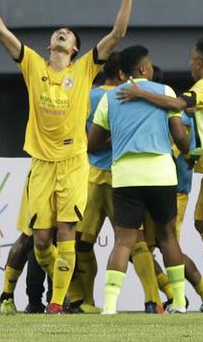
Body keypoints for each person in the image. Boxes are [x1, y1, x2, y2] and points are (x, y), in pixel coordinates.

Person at [0, 0, 136, 315]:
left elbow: (118, 34)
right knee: (41, 240)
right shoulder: (33, 65)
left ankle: (57, 302)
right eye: (57, 32)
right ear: (50, 45)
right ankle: (58, 289)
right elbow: (0, 31)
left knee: (67, 231)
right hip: (42, 164)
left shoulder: (84, 69)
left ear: (74, 48)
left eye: (68, 34)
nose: (62, 33)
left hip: (73, 162)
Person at [117, 37, 203, 313]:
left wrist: (141, 94)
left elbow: (177, 104)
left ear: (198, 63)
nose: (189, 65)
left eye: (190, 60)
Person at [88, 45, 193, 315]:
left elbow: (92, 142)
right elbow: (179, 135)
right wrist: (188, 152)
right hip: (160, 172)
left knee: (123, 241)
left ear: (122, 73)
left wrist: (120, 137)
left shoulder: (109, 99)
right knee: (168, 237)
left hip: (125, 175)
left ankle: (110, 305)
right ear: (145, 68)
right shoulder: (165, 91)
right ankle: (179, 302)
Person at [69, 54, 167, 314]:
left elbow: (80, 136)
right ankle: (154, 300)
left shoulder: (90, 96)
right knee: (135, 241)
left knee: (82, 242)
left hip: (92, 177)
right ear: (123, 74)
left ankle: (86, 301)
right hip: (121, 176)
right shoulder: (136, 95)